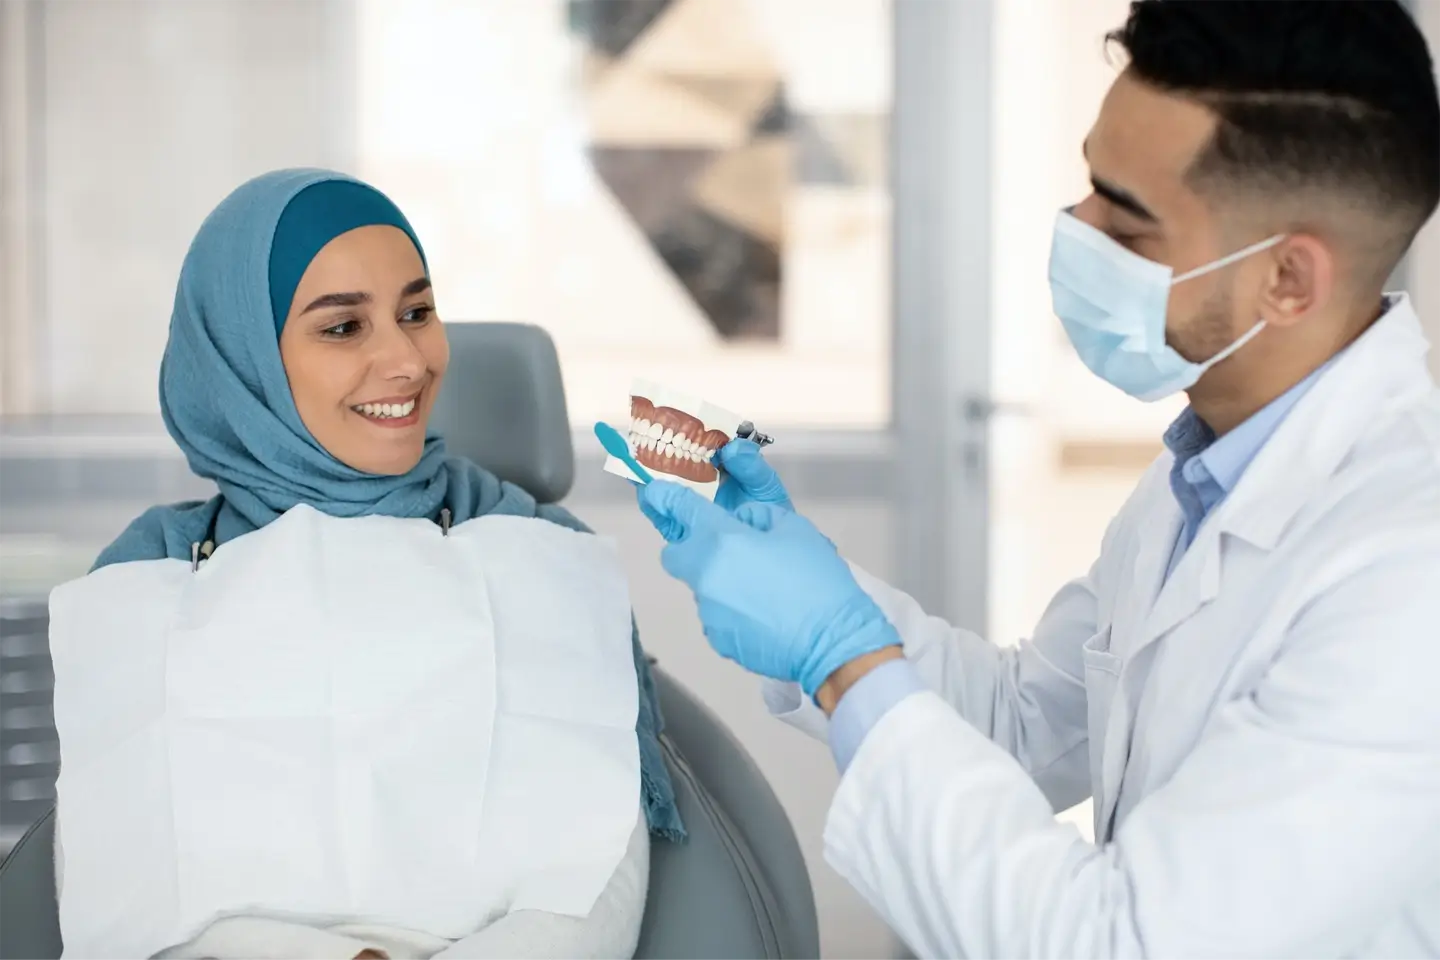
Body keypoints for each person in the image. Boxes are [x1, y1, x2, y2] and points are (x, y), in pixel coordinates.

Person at [635, 0, 1440, 956]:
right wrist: (821, 592)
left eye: (1127, 225)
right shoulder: (1206, 475)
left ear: (1290, 282)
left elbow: (1121, 944)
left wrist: (843, 659)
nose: (1075, 227)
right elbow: (1028, 726)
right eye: (1090, 184)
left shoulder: (1406, 574)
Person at [52, 169, 683, 960]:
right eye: (344, 328)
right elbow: (120, 879)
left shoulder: (532, 545)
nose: (407, 361)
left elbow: (595, 868)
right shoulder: (155, 572)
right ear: (240, 359)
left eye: (417, 313)